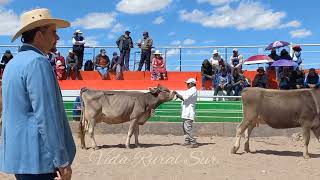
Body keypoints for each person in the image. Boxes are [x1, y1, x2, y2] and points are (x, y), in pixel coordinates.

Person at [0, 8, 76, 180]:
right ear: (39, 35)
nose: (57, 38)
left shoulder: (12, 64)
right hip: (37, 158)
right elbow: (46, 116)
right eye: (53, 32)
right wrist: (62, 161)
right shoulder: (38, 62)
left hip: (19, 157)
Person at [174, 78, 198, 148]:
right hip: (186, 112)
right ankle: (187, 141)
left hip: (189, 112)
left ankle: (193, 142)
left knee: (188, 128)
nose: (187, 85)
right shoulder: (190, 90)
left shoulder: (193, 90)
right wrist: (178, 94)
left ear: (192, 84)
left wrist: (177, 94)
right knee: (185, 128)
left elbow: (184, 98)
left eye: (188, 83)